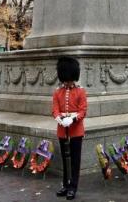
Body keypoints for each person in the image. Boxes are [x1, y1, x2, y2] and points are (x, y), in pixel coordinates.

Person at [52, 57, 87, 200]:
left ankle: (73, 186)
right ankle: (65, 184)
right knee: (65, 160)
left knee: (74, 160)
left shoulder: (80, 92)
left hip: (76, 130)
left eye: (69, 79)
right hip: (62, 130)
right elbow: (55, 109)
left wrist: (72, 118)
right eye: (65, 79)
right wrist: (59, 118)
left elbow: (83, 111)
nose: (67, 82)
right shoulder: (57, 92)